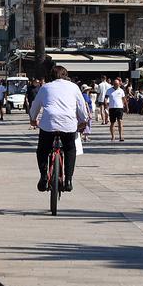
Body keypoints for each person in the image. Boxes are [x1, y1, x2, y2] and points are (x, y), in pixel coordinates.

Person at [29, 65, 90, 194]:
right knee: (69, 149)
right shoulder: (74, 87)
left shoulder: (45, 87)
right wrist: (83, 121)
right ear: (66, 75)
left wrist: (33, 119)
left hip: (48, 123)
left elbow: (35, 105)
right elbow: (81, 107)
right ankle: (68, 180)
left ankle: (44, 177)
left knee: (42, 149)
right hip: (68, 123)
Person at [106, 77, 127, 142]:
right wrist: (105, 104)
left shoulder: (121, 90)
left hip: (119, 108)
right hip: (112, 108)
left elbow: (124, 99)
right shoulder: (109, 90)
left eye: (117, 84)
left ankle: (121, 136)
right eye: (115, 84)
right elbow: (106, 98)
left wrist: (126, 106)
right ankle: (113, 136)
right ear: (113, 84)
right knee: (112, 123)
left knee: (120, 121)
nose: (116, 85)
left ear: (119, 84)